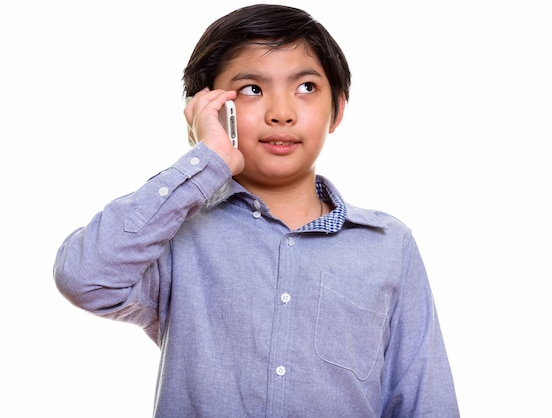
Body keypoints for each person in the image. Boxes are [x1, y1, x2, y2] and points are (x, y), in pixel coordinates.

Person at [53, 4, 459, 417]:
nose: (281, 113)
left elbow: (423, 399)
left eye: (305, 87)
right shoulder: (176, 233)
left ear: (336, 108)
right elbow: (84, 278)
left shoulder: (388, 246)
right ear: (210, 108)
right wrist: (206, 159)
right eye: (251, 89)